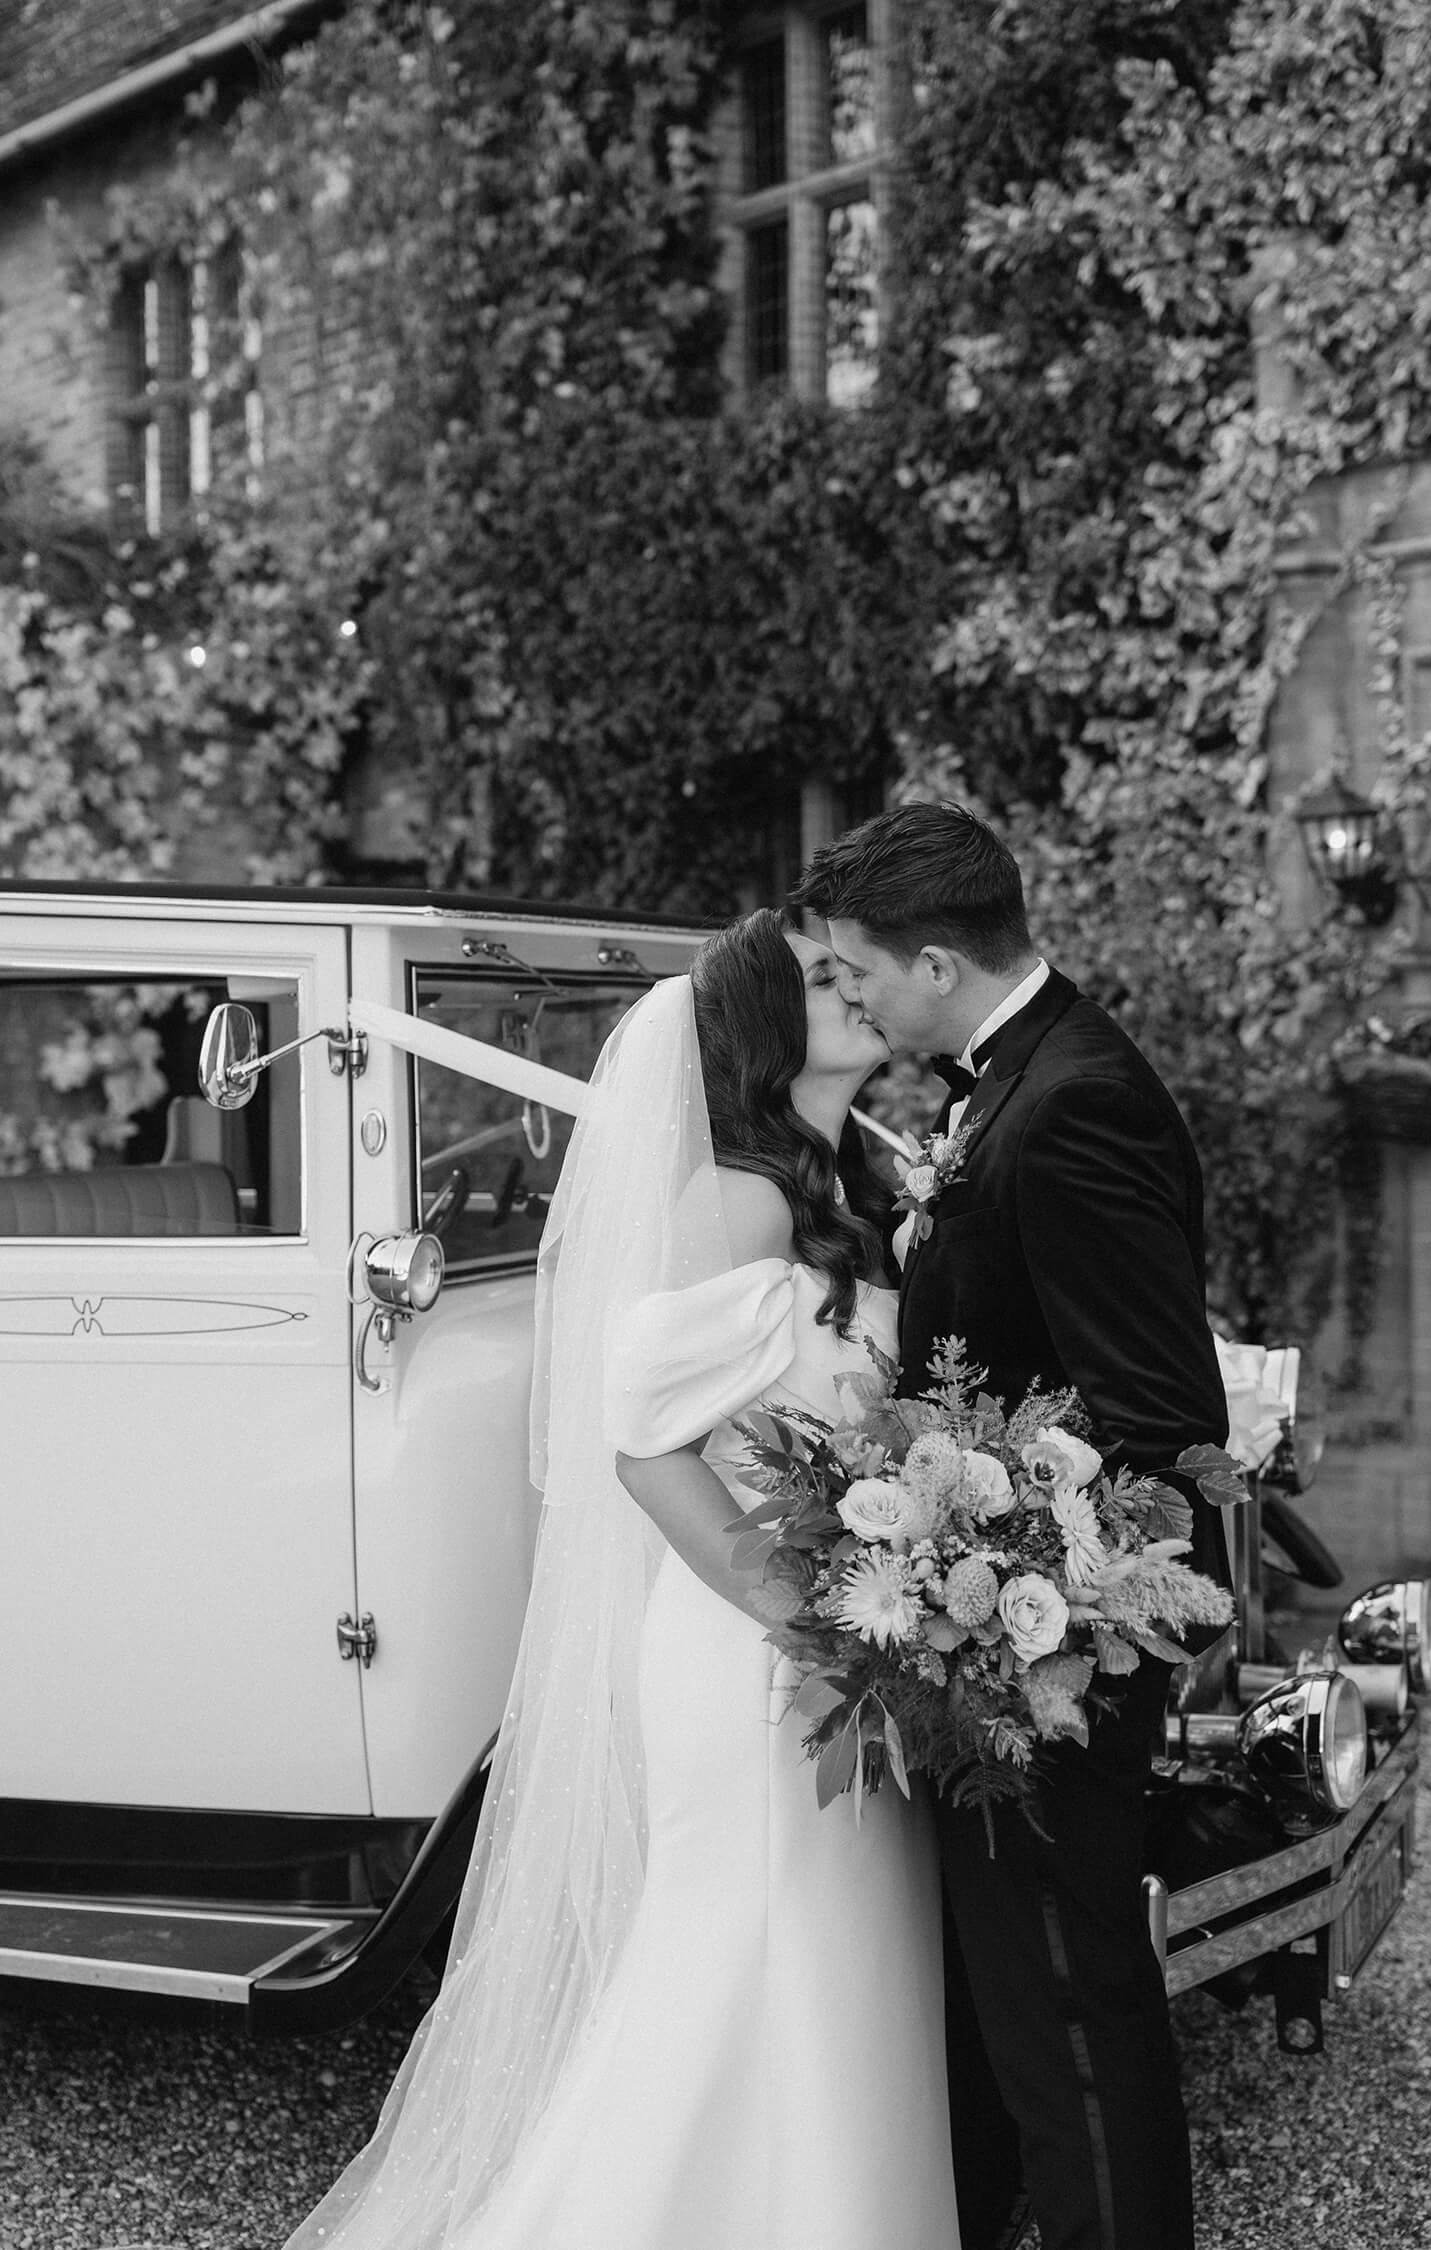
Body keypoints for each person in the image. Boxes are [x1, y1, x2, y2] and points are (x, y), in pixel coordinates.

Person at [281, 908, 962, 2250]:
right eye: (824, 982)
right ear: (761, 1031)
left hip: (837, 1635)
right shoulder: (739, 1199)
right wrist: (803, 1612)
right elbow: (644, 1444)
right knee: (748, 1958)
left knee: (834, 1965)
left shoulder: (836, 1188)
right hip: (749, 1641)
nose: (859, 994)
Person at [795, 801, 1232, 2250]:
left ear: (933, 959)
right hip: (996, 1623)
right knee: (1017, 1996)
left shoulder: (1074, 1098)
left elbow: (1160, 1403)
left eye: (858, 971)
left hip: (1056, 1642)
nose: (849, 998)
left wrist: (981, 1542)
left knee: (1070, 1991)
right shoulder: (1010, 1080)